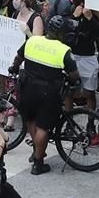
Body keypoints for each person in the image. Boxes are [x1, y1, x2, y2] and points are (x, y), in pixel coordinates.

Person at [9, 15, 81, 175]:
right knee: (44, 127)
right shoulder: (63, 50)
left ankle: (36, 151)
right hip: (48, 92)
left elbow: (18, 58)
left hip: (27, 88)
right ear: (61, 33)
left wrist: (13, 68)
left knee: (31, 120)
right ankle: (38, 162)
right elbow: (74, 75)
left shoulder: (32, 41)